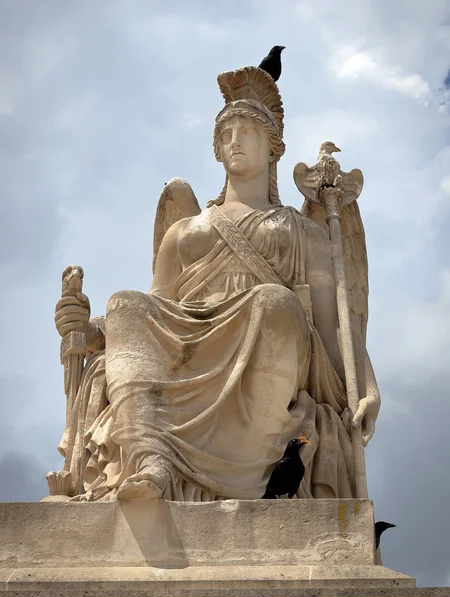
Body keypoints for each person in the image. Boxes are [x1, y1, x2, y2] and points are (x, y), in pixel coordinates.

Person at [54, 67, 380, 502]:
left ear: (273, 151)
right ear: (215, 149)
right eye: (226, 134)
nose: (235, 142)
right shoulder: (186, 232)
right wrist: (93, 329)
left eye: (248, 132)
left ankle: (252, 475)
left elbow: (333, 326)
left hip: (273, 339)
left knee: (272, 301)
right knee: (125, 304)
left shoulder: (305, 232)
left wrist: (368, 386)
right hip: (191, 336)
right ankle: (153, 461)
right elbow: (158, 310)